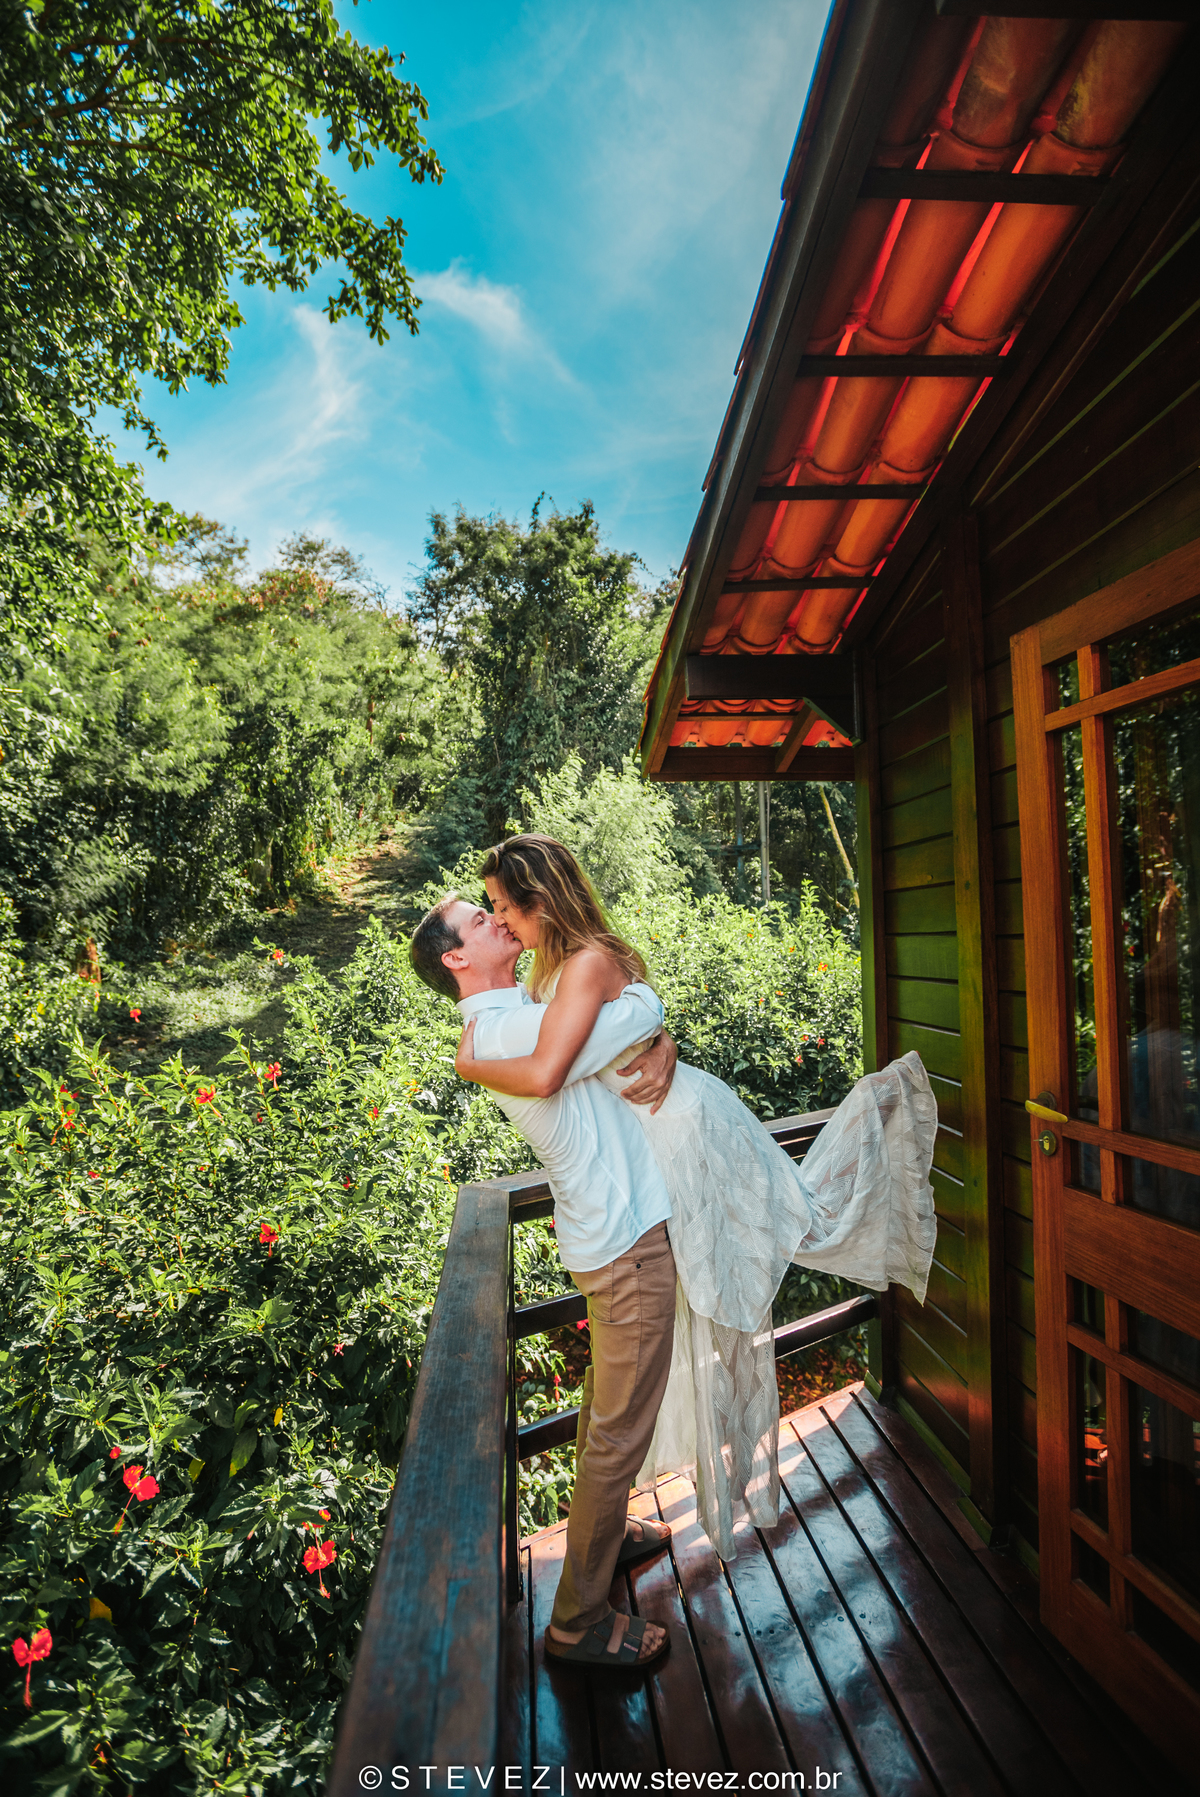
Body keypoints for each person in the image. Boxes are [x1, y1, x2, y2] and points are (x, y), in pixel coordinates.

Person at [455, 835, 938, 1562]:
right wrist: (654, 1028)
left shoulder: (581, 965)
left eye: (503, 907)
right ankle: (613, 1530)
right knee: (665, 1344)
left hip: (687, 1124)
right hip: (662, 1139)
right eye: (488, 912)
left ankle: (884, 1123)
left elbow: (564, 1061)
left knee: (796, 1219)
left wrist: (475, 1058)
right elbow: (607, 1036)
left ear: (540, 901)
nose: (502, 921)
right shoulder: (554, 976)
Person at [409, 895, 680, 1670]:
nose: (503, 921)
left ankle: (609, 1531)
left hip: (611, 1235)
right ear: (456, 958)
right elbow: (626, 1021)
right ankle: (578, 1623)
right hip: (626, 1243)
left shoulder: (515, 1017)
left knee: (607, 1405)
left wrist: (654, 1037)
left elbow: (611, 1041)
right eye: (481, 918)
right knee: (622, 1423)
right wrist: (653, 1012)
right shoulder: (503, 1030)